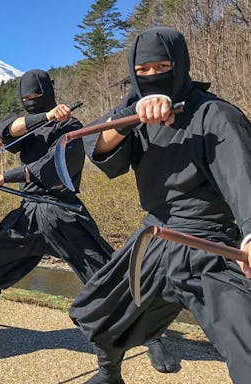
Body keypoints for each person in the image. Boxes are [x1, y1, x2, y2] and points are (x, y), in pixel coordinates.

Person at [0, 69, 175, 373]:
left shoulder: (72, 126)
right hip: (27, 214)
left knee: (108, 277)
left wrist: (4, 176)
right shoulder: (29, 126)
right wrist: (43, 117)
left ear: (48, 92)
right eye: (26, 98)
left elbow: (51, 169)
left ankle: (153, 336)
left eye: (36, 97)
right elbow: (7, 129)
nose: (31, 101)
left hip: (61, 212)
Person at [69, 27, 251, 384]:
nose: (153, 76)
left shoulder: (215, 114)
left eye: (162, 66)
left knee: (245, 338)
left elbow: (242, 176)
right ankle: (108, 375)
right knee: (101, 314)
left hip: (208, 243)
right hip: (154, 236)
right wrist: (134, 117)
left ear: (180, 64)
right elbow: (98, 146)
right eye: (143, 70)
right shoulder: (131, 113)